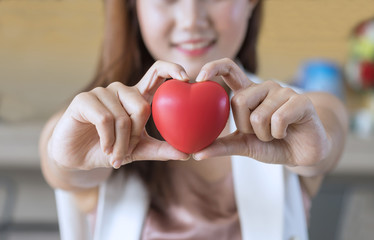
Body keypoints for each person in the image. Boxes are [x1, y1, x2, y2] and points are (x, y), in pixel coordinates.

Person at [39, 0, 348, 239]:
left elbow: (326, 136)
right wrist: (64, 159)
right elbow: (60, 161)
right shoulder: (94, 123)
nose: (191, 21)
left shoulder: (298, 113)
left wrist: (317, 147)